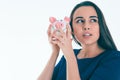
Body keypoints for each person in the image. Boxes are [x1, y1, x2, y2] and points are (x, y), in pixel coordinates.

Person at [37, 1, 120, 80]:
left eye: (93, 20)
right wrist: (55, 52)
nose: (86, 26)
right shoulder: (66, 58)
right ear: (71, 28)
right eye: (80, 21)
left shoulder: (114, 59)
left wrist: (70, 56)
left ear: (100, 26)